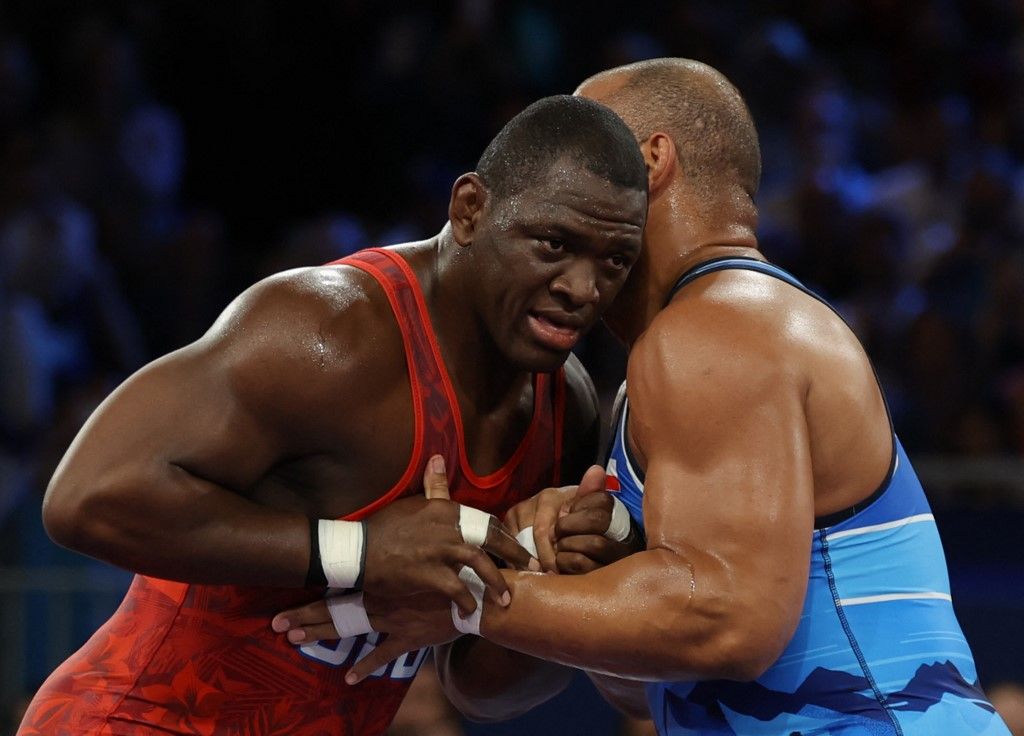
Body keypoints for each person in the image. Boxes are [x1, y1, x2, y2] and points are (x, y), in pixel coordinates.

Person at [286, 59, 1011, 735]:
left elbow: (727, 623)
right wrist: (588, 563)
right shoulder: (689, 345)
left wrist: (458, 593)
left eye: (582, 143)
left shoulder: (722, 326)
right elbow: (651, 682)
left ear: (652, 161)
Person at [17, 94, 649, 736]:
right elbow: (84, 498)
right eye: (554, 244)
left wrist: (541, 592)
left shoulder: (564, 406)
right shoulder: (328, 332)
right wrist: (359, 551)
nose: (582, 288)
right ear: (470, 210)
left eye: (614, 262)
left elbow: (482, 691)